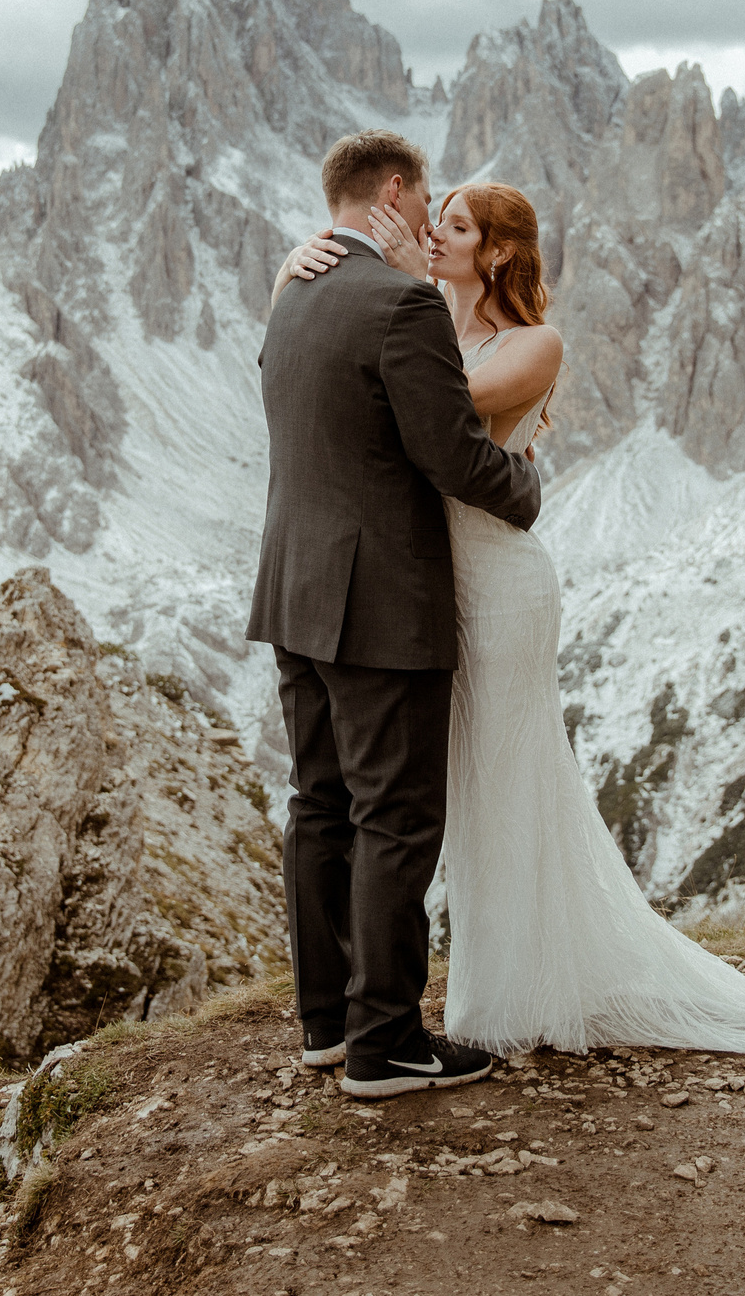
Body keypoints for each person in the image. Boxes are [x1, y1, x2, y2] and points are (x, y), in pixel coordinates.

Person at [274, 178, 745, 1073]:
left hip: (495, 586)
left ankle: (517, 993)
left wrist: (376, 282)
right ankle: (444, 999)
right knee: (440, 799)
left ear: (498, 251)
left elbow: (430, 406)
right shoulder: (420, 314)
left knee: (504, 784)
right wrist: (312, 273)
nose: (432, 233)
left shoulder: (530, 342)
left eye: (455, 226)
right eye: (437, 219)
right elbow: (389, 370)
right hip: (420, 584)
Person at [248, 131, 539, 1101]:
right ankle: (387, 1045)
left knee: (318, 808)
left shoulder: (294, 291)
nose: (429, 221)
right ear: (395, 191)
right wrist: (526, 490)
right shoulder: (401, 300)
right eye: (425, 203)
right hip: (380, 602)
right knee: (396, 819)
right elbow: (451, 454)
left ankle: (325, 1026)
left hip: (294, 589)